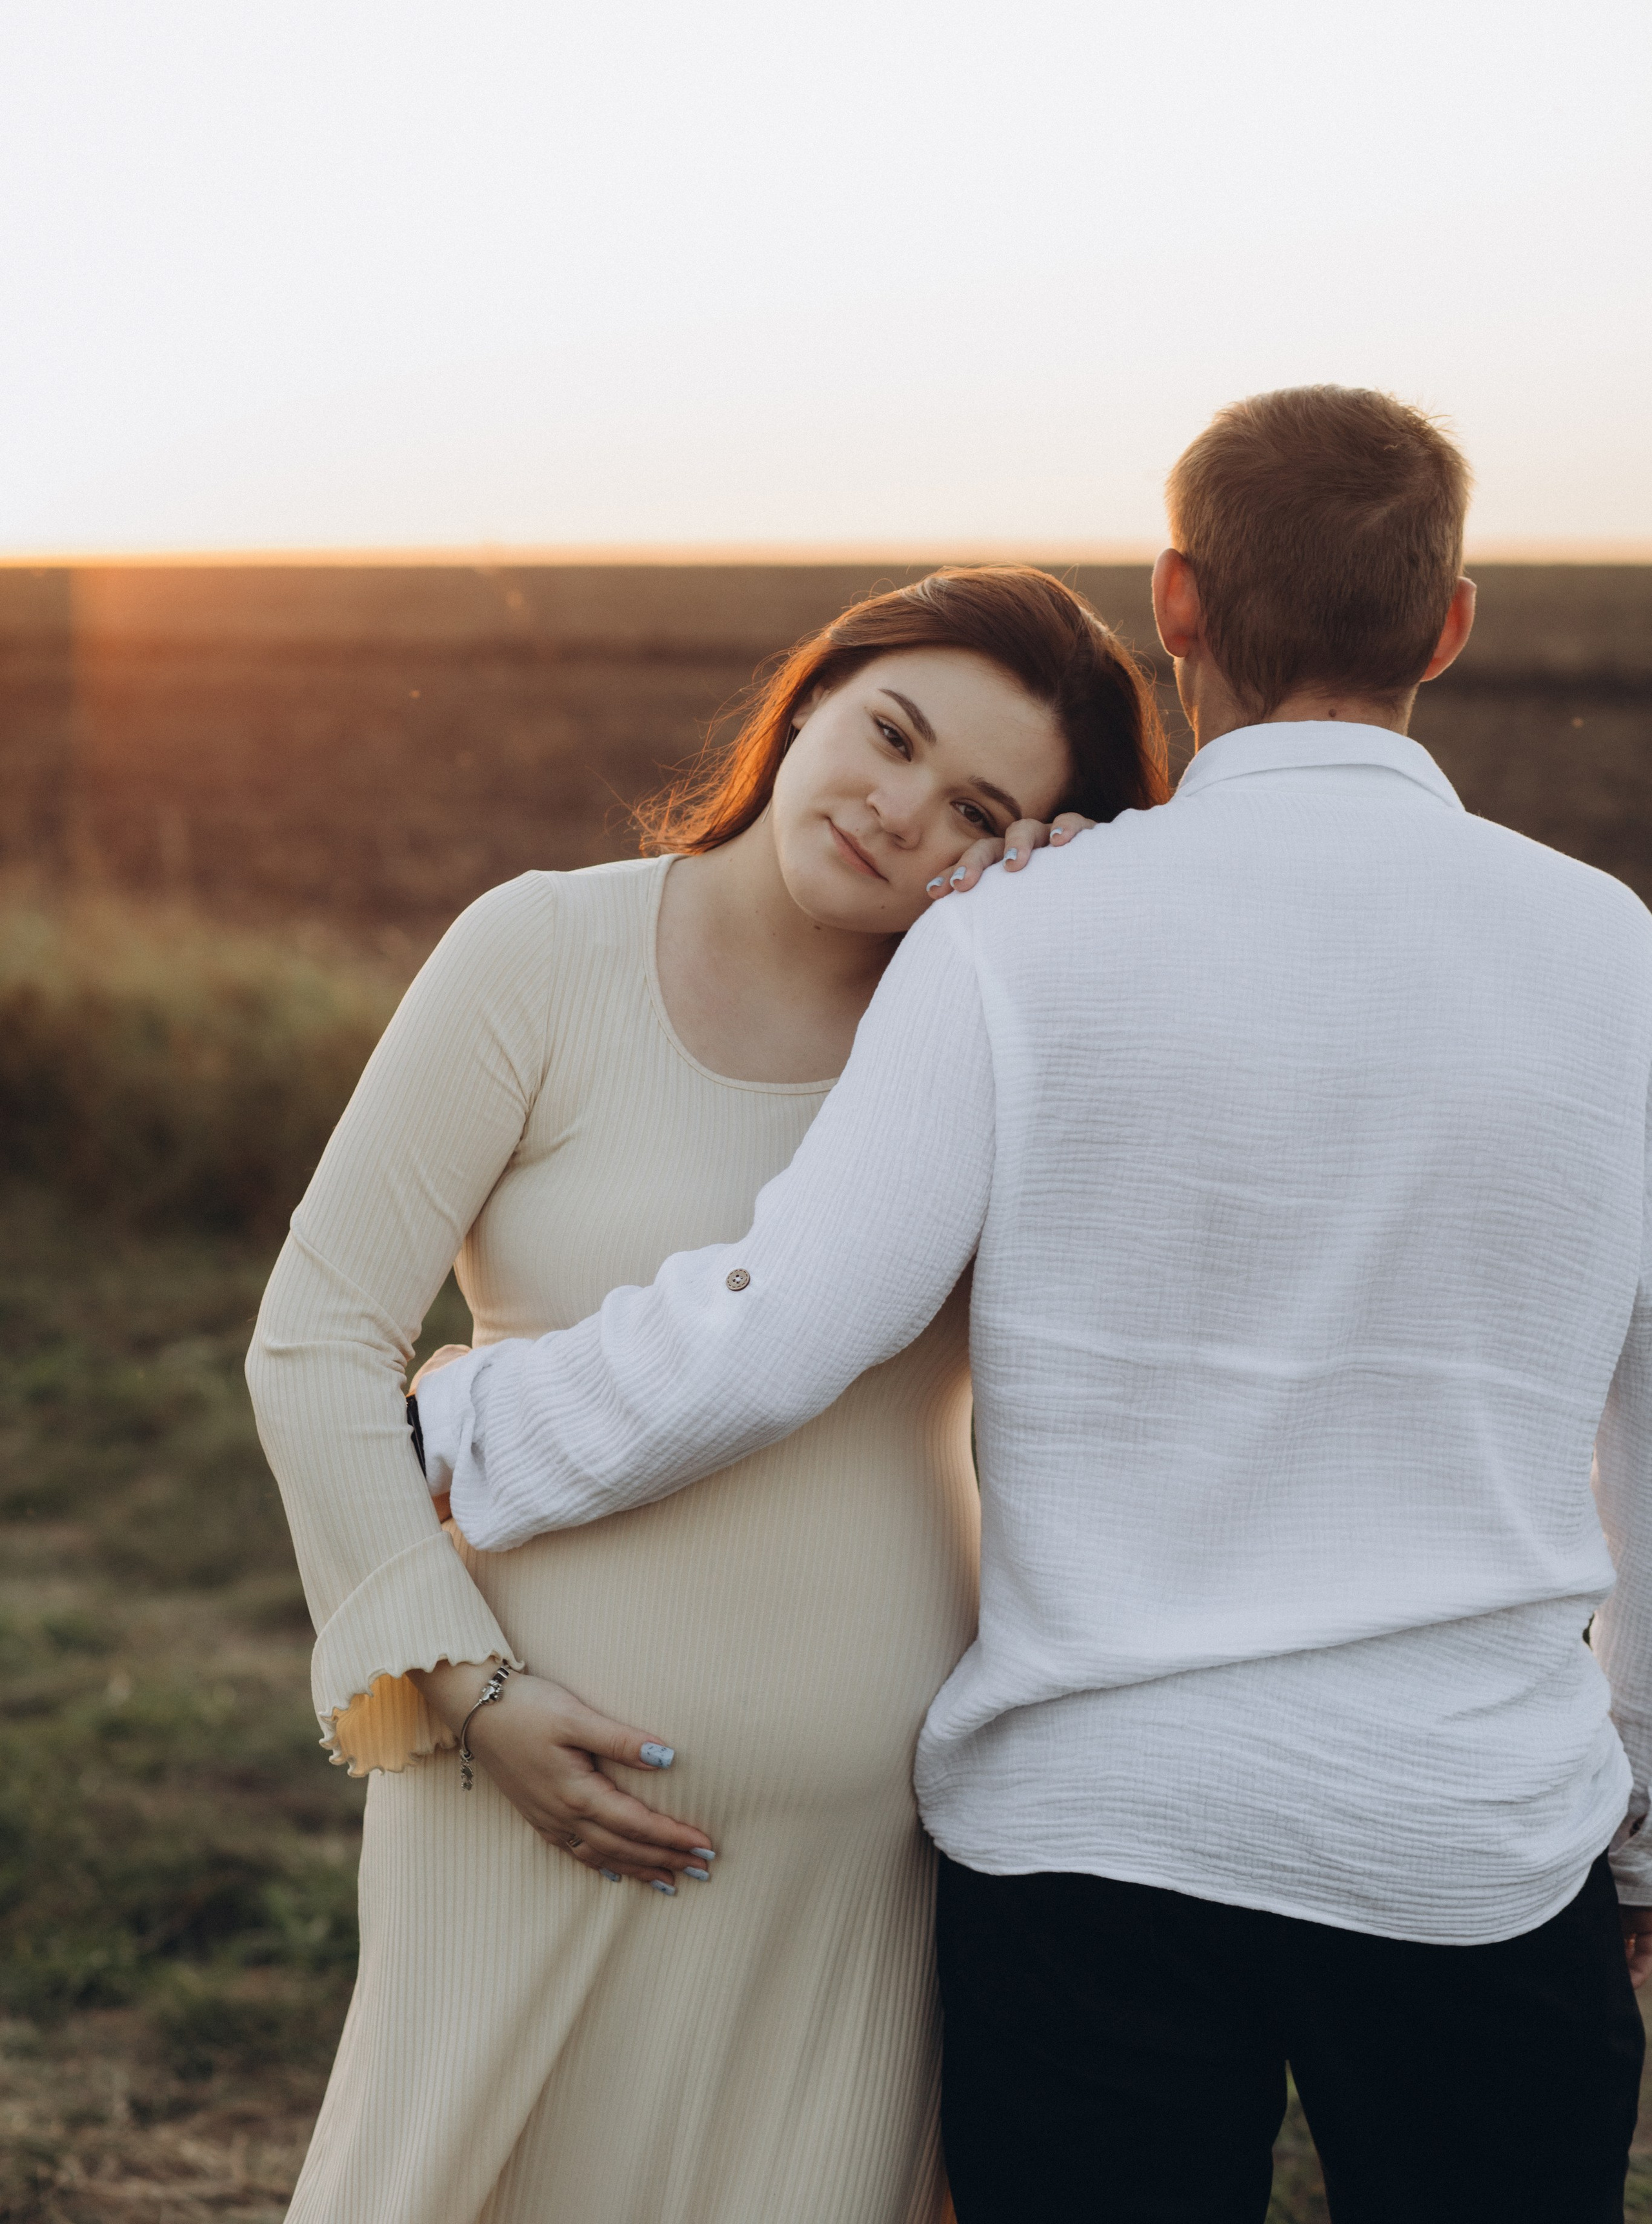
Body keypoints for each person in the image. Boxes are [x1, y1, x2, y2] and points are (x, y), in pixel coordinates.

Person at [416, 387, 1652, 2224]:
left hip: (1096, 1851)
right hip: (1470, 1837)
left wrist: (465, 1420)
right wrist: (1635, 1832)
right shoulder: (1619, 963)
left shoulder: (1017, 936)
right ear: (1452, 622)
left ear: (1177, 605)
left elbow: (786, 1323)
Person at [247, 565, 1168, 2224]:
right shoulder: (540, 950)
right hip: (511, 1793)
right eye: (887, 734)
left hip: (855, 1837)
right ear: (809, 693)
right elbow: (313, 1338)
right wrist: (463, 1697)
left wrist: (1081, 932)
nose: (899, 814)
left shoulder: (990, 1032)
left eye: (976, 810)